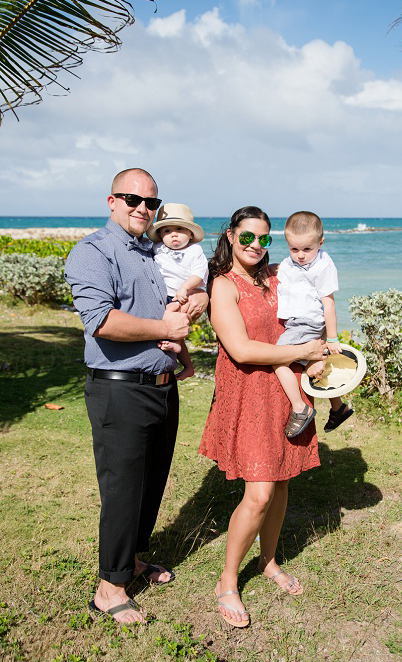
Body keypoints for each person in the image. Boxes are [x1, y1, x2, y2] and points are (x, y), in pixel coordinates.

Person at [65, 168, 207, 624]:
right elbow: (101, 322)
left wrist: (197, 299)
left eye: (150, 202)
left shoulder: (153, 252)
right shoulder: (92, 251)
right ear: (112, 201)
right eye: (132, 199)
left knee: (150, 483)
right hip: (119, 389)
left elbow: (172, 306)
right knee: (123, 489)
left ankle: (134, 561)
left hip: (163, 390)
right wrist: (166, 328)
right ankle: (110, 586)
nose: (142, 208)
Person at [198, 206, 326, 628]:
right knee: (259, 494)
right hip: (249, 393)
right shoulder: (222, 286)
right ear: (232, 237)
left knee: (282, 481)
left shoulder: (279, 274)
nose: (256, 245)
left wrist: (321, 349)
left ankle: (268, 561)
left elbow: (311, 307)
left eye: (264, 239)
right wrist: (300, 353)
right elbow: (243, 350)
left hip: (286, 390)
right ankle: (227, 580)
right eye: (248, 237)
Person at [274, 211, 353, 437]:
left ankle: (300, 408)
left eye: (307, 249)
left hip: (306, 324)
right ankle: (339, 407)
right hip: (300, 323)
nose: (300, 255)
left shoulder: (323, 267)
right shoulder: (294, 263)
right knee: (312, 366)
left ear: (321, 242)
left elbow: (329, 304)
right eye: (294, 249)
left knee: (277, 359)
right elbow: (286, 271)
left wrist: (333, 338)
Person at [147, 203, 209, 381]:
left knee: (173, 319)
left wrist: (185, 288)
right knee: (171, 323)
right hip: (162, 295)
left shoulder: (194, 250)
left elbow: (199, 273)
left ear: (190, 233)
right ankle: (188, 365)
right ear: (159, 235)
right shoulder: (157, 248)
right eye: (166, 231)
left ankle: (175, 346)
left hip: (182, 295)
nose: (173, 234)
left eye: (179, 229)